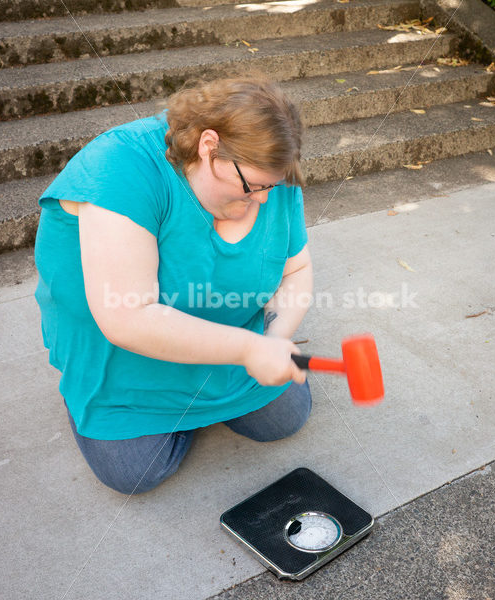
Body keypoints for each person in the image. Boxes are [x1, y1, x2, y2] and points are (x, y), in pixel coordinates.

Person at [34, 77, 314, 495]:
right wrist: (249, 350)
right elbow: (128, 317)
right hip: (123, 355)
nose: (264, 199)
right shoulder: (119, 166)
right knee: (136, 472)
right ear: (209, 146)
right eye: (253, 186)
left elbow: (296, 269)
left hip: (234, 338)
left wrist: (275, 337)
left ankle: (202, 388)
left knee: (286, 418)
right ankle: (102, 396)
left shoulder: (269, 175)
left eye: (270, 186)